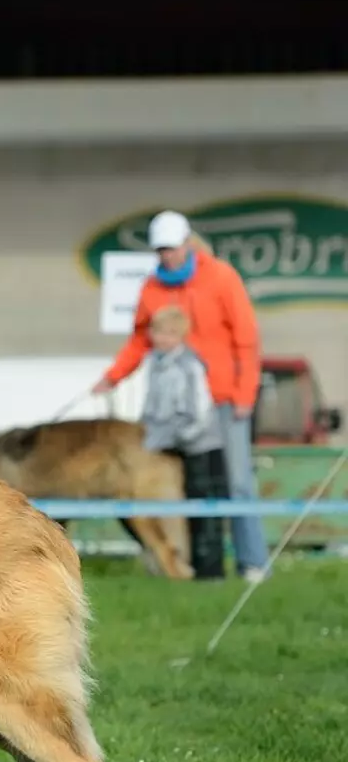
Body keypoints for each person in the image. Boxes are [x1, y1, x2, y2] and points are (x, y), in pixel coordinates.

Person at [94, 209, 269, 583]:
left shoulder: (222, 278)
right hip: (174, 409)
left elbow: (247, 338)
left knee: (237, 482)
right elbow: (140, 340)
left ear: (187, 243)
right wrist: (112, 377)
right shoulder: (152, 289)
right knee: (178, 484)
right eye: (160, 251)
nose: (166, 257)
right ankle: (191, 565)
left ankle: (252, 562)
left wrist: (244, 393)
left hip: (222, 401)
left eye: (171, 249)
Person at [140, 305, 229, 579]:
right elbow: (151, 404)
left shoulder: (190, 365)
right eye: (158, 332)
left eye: (169, 333)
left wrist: (183, 436)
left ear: (181, 336)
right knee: (183, 508)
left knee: (205, 508)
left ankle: (211, 571)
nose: (162, 338)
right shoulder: (154, 364)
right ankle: (186, 566)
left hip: (199, 445)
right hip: (169, 446)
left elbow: (201, 409)